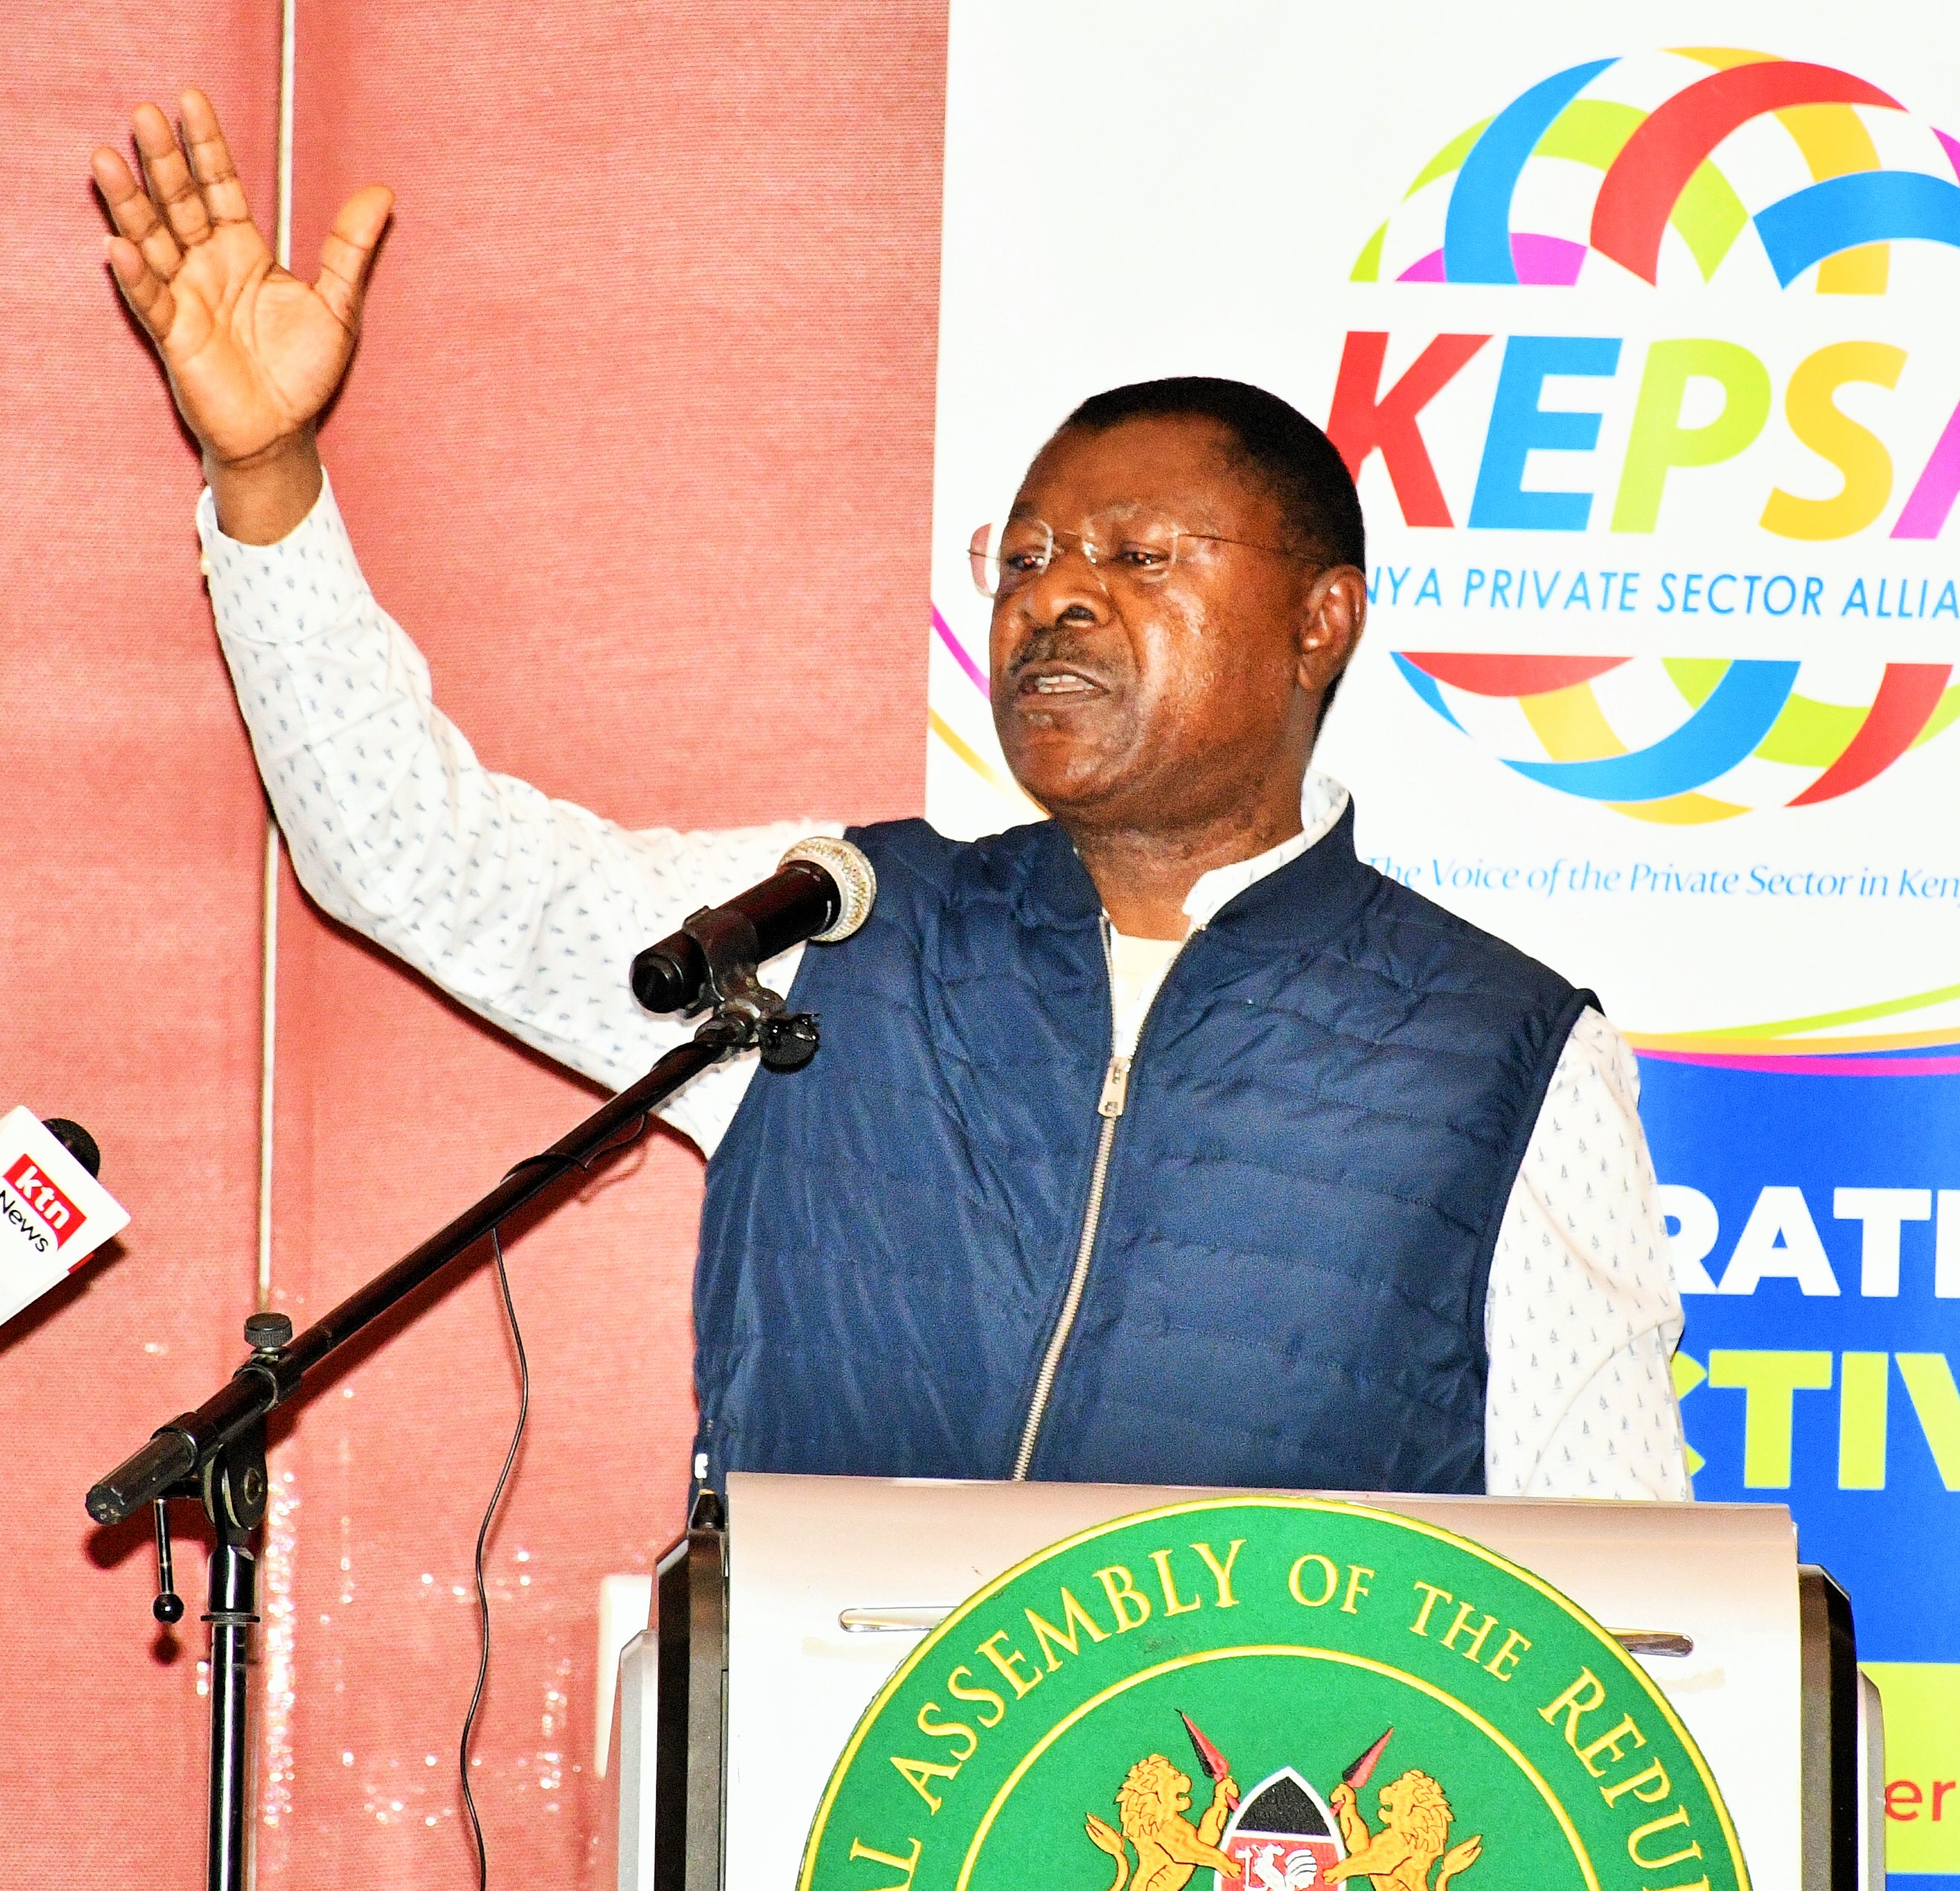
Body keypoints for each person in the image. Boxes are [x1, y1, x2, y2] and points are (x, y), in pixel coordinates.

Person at [94, 93, 1689, 1502]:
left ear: (1319, 622)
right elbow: (409, 856)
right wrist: (266, 476)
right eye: (1029, 556)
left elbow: (1622, 1591)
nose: (1057, 598)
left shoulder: (1498, 1051)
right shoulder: (839, 934)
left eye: (1138, 556)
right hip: (839, 1743)